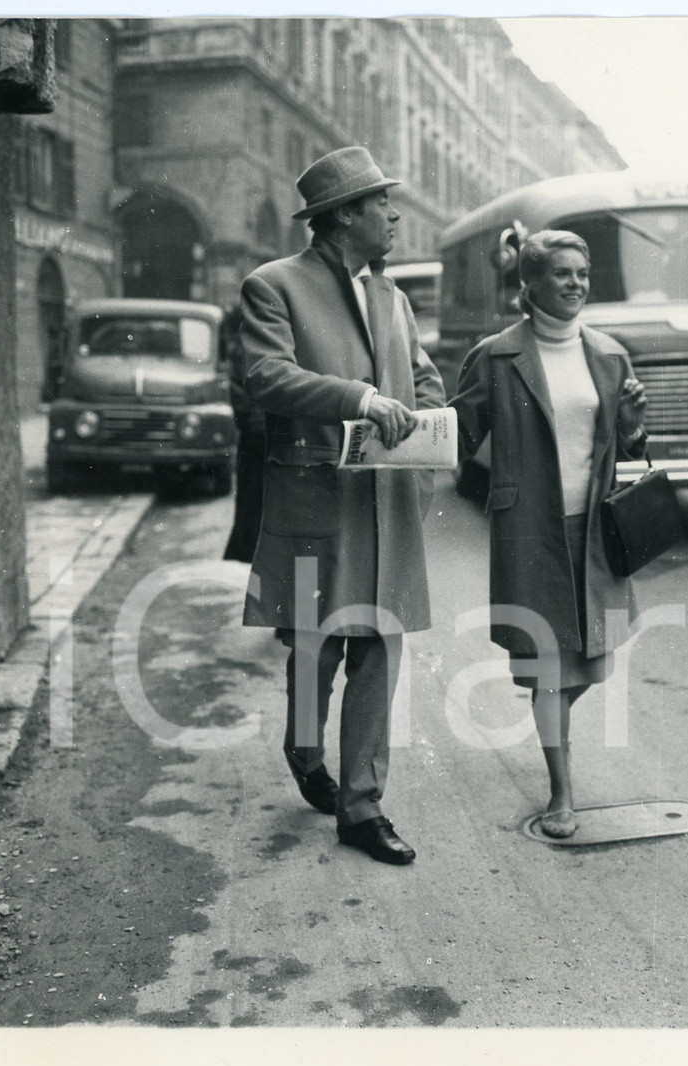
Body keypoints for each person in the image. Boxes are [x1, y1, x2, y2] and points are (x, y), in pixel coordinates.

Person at [240, 147, 445, 865]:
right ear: (344, 215)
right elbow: (265, 375)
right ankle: (304, 750)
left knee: (379, 648)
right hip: (314, 503)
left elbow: (422, 378)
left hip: (386, 503)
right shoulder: (274, 285)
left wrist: (432, 421)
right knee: (316, 647)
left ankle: (362, 806)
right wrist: (359, 398)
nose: (394, 216)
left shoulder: (393, 297)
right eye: (383, 203)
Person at [451, 230, 649, 839]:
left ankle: (550, 720)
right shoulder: (496, 357)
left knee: (588, 662)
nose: (575, 284)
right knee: (547, 669)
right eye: (561, 273)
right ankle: (562, 792)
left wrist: (633, 426)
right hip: (529, 530)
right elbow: (457, 437)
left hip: (594, 528)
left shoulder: (610, 355)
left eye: (582, 273)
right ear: (530, 283)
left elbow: (628, 448)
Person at [221, 306, 268, 564]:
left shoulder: (246, 352)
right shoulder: (245, 355)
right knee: (252, 518)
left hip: (258, 442)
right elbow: (246, 410)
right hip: (259, 444)